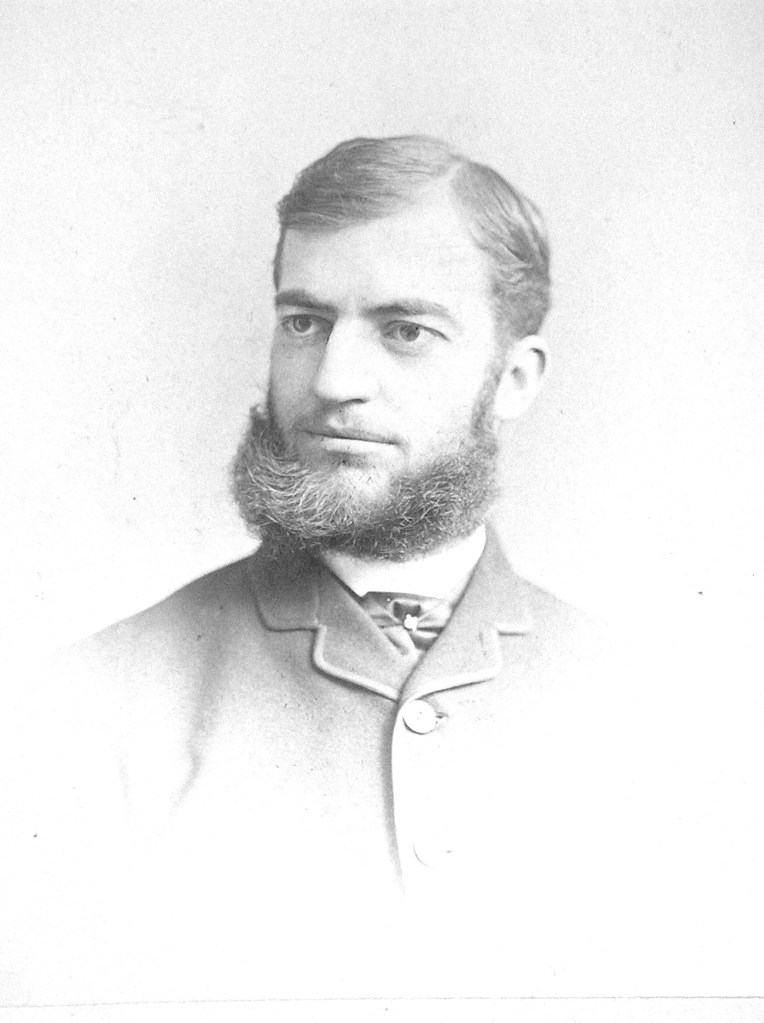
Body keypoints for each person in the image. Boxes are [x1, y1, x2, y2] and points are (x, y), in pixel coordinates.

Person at [3, 136, 760, 1005]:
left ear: (514, 379)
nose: (333, 380)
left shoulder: (667, 722)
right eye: (304, 322)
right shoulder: (84, 711)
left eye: (405, 331)